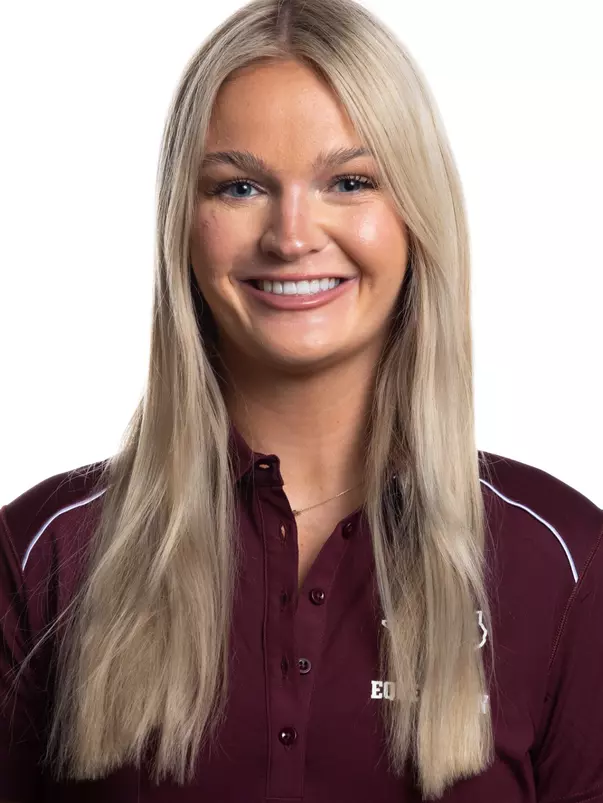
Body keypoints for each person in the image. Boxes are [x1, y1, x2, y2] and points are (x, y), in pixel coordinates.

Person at [1, 0, 602, 800]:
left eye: (348, 181)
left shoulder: (560, 562)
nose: (291, 234)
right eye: (240, 185)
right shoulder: (42, 552)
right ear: (183, 222)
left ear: (415, 216)